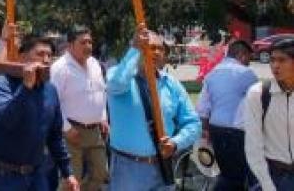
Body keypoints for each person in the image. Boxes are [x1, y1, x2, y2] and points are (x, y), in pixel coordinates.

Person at [107, 25, 200, 190]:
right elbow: (117, 84)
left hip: (162, 167)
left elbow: (193, 123)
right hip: (128, 168)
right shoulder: (117, 76)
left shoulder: (171, 84)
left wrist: (175, 143)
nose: (156, 52)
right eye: (149, 47)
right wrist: (135, 48)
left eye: (159, 48)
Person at [0, 33, 79, 191]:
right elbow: (7, 119)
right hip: (3, 176)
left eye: (49, 55)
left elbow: (55, 136)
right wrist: (26, 88)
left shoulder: (50, 90)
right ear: (22, 58)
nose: (46, 60)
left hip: (37, 175)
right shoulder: (3, 84)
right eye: (40, 54)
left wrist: (67, 172)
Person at [50, 25, 109, 191]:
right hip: (71, 132)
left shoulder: (95, 63)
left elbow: (101, 92)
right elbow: (53, 102)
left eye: (90, 42)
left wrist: (103, 116)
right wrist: (66, 129)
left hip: (95, 131)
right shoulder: (60, 68)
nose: (88, 46)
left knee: (101, 173)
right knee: (71, 180)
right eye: (83, 42)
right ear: (70, 45)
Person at [196, 40, 258, 190]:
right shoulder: (246, 73)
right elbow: (259, 103)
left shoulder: (211, 74)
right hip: (237, 134)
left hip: (215, 130)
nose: (249, 62)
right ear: (241, 55)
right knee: (242, 177)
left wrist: (206, 133)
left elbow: (203, 108)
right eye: (249, 57)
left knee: (227, 174)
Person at [244, 37, 294, 191]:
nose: (275, 65)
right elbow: (253, 146)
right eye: (272, 60)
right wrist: (268, 186)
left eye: (282, 60)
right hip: (274, 176)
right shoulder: (258, 94)